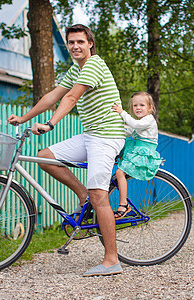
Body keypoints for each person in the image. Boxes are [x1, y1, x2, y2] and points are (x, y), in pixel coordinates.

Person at [7, 24, 125, 277]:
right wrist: (24, 118)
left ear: (90, 44)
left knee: (99, 195)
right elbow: (53, 96)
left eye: (80, 42)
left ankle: (111, 260)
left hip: (107, 136)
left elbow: (70, 98)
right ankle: (83, 196)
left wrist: (51, 124)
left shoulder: (94, 65)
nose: (75, 47)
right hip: (91, 134)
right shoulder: (76, 68)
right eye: (71, 42)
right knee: (45, 157)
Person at [111, 92, 162, 219]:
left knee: (119, 173)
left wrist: (122, 113)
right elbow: (129, 131)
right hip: (137, 149)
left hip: (143, 153)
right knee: (123, 143)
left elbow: (134, 125)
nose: (138, 108)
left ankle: (123, 204)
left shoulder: (148, 120)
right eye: (135, 105)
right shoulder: (141, 121)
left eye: (142, 105)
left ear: (150, 108)